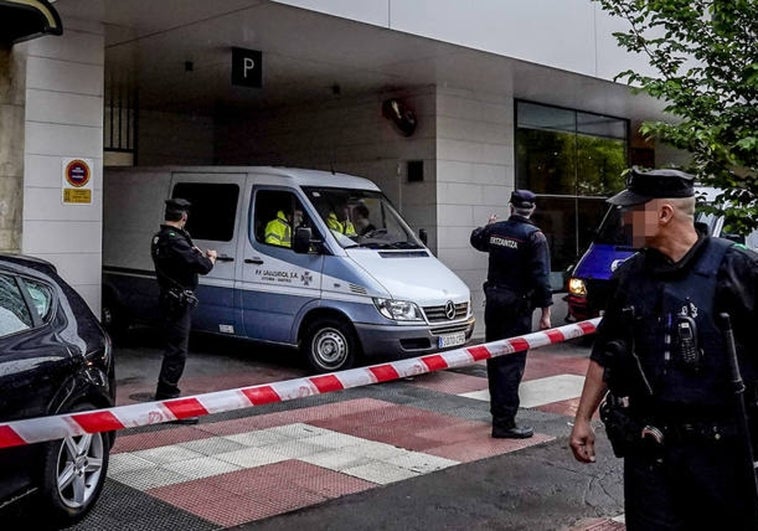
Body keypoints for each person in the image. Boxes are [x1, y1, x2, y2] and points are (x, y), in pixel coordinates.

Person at [569, 168, 758, 530]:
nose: (624, 219)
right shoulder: (629, 275)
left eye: (633, 210)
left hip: (721, 453)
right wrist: (582, 418)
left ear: (664, 214)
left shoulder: (737, 268)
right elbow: (607, 351)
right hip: (650, 453)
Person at [470, 189, 553, 439]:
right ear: (533, 209)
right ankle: (505, 423)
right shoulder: (535, 237)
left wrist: (489, 225)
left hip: (494, 304)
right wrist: (546, 312)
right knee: (511, 365)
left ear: (511, 207)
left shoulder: (496, 231)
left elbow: (476, 240)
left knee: (494, 361)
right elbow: (541, 278)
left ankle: (498, 414)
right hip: (517, 309)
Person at [151, 198, 216, 423]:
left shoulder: (160, 238)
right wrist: (210, 258)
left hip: (169, 297)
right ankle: (168, 395)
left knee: (173, 348)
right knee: (177, 350)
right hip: (177, 301)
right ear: (184, 217)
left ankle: (165, 391)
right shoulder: (175, 241)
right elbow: (203, 267)